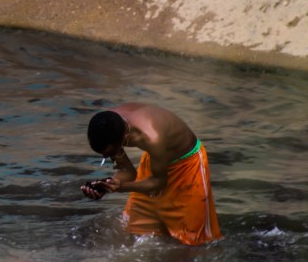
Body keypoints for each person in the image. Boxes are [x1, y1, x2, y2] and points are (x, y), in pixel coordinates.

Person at [81, 103, 221, 245]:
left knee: (193, 242)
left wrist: (122, 187)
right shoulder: (108, 125)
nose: (107, 156)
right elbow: (127, 172)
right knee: (136, 232)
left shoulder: (150, 137)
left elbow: (159, 182)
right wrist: (105, 187)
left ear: (123, 138)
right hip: (155, 161)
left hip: (187, 167)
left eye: (109, 154)